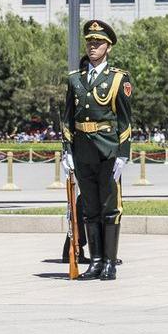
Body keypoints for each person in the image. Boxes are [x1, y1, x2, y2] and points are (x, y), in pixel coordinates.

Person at [62, 19, 133, 281]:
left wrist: (123, 154)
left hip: (108, 150)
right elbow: (67, 118)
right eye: (90, 42)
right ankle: (96, 261)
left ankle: (110, 262)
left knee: (110, 207)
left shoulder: (118, 79)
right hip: (83, 151)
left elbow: (125, 120)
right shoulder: (75, 80)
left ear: (108, 47)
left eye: (98, 43)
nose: (93, 47)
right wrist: (67, 150)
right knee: (90, 207)